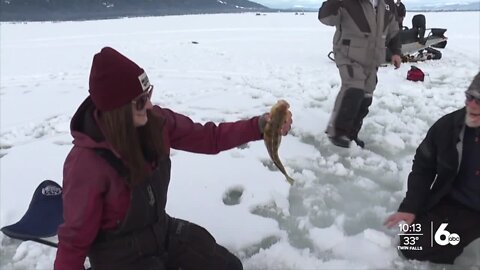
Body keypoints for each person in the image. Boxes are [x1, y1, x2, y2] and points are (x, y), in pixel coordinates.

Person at [54, 47, 293, 270]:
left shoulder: (157, 123)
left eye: (148, 94)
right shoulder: (86, 166)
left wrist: (259, 126)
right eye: (140, 101)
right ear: (117, 111)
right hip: (120, 258)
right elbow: (74, 242)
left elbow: (210, 138)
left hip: (161, 231)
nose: (148, 105)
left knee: (227, 266)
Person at [384, 72, 480, 264]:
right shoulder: (448, 126)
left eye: (479, 100)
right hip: (459, 207)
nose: (471, 104)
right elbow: (423, 167)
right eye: (469, 96)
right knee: (412, 245)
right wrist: (411, 207)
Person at [318, 0, 402, 148]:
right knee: (354, 87)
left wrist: (396, 52)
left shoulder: (387, 4)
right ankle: (337, 132)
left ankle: (351, 133)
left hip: (372, 59)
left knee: (366, 96)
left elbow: (393, 30)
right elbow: (326, 18)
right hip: (348, 54)